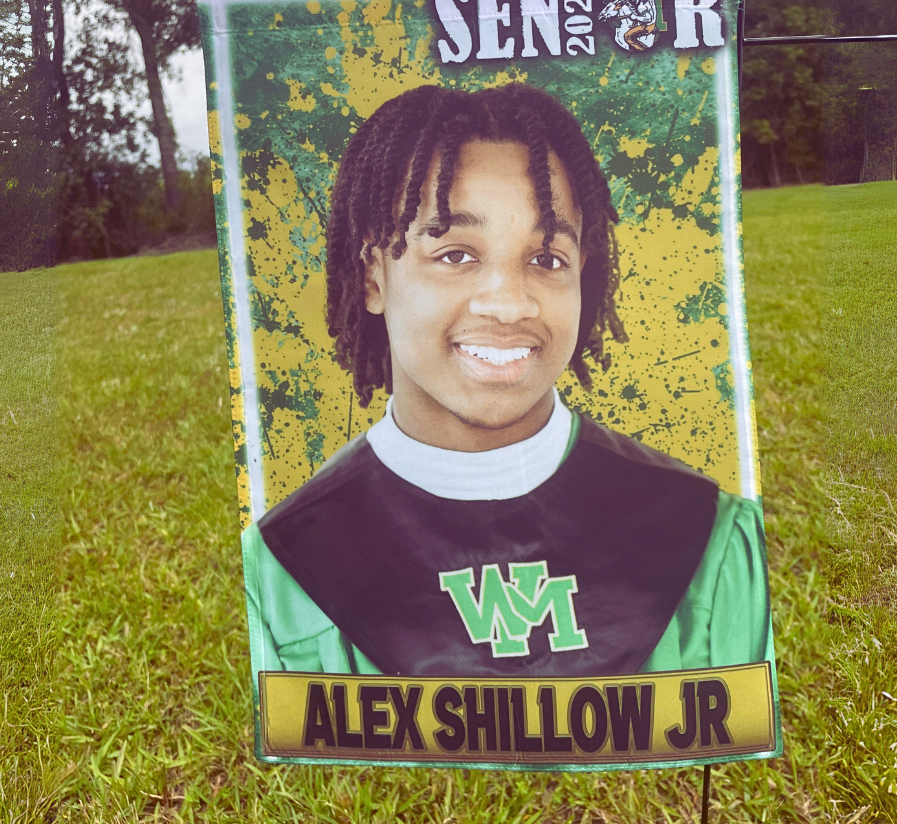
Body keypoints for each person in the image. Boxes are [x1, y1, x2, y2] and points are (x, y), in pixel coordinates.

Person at [242, 83, 772, 678]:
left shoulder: (704, 535)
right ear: (373, 278)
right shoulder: (288, 564)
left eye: (546, 259)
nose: (508, 306)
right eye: (455, 254)